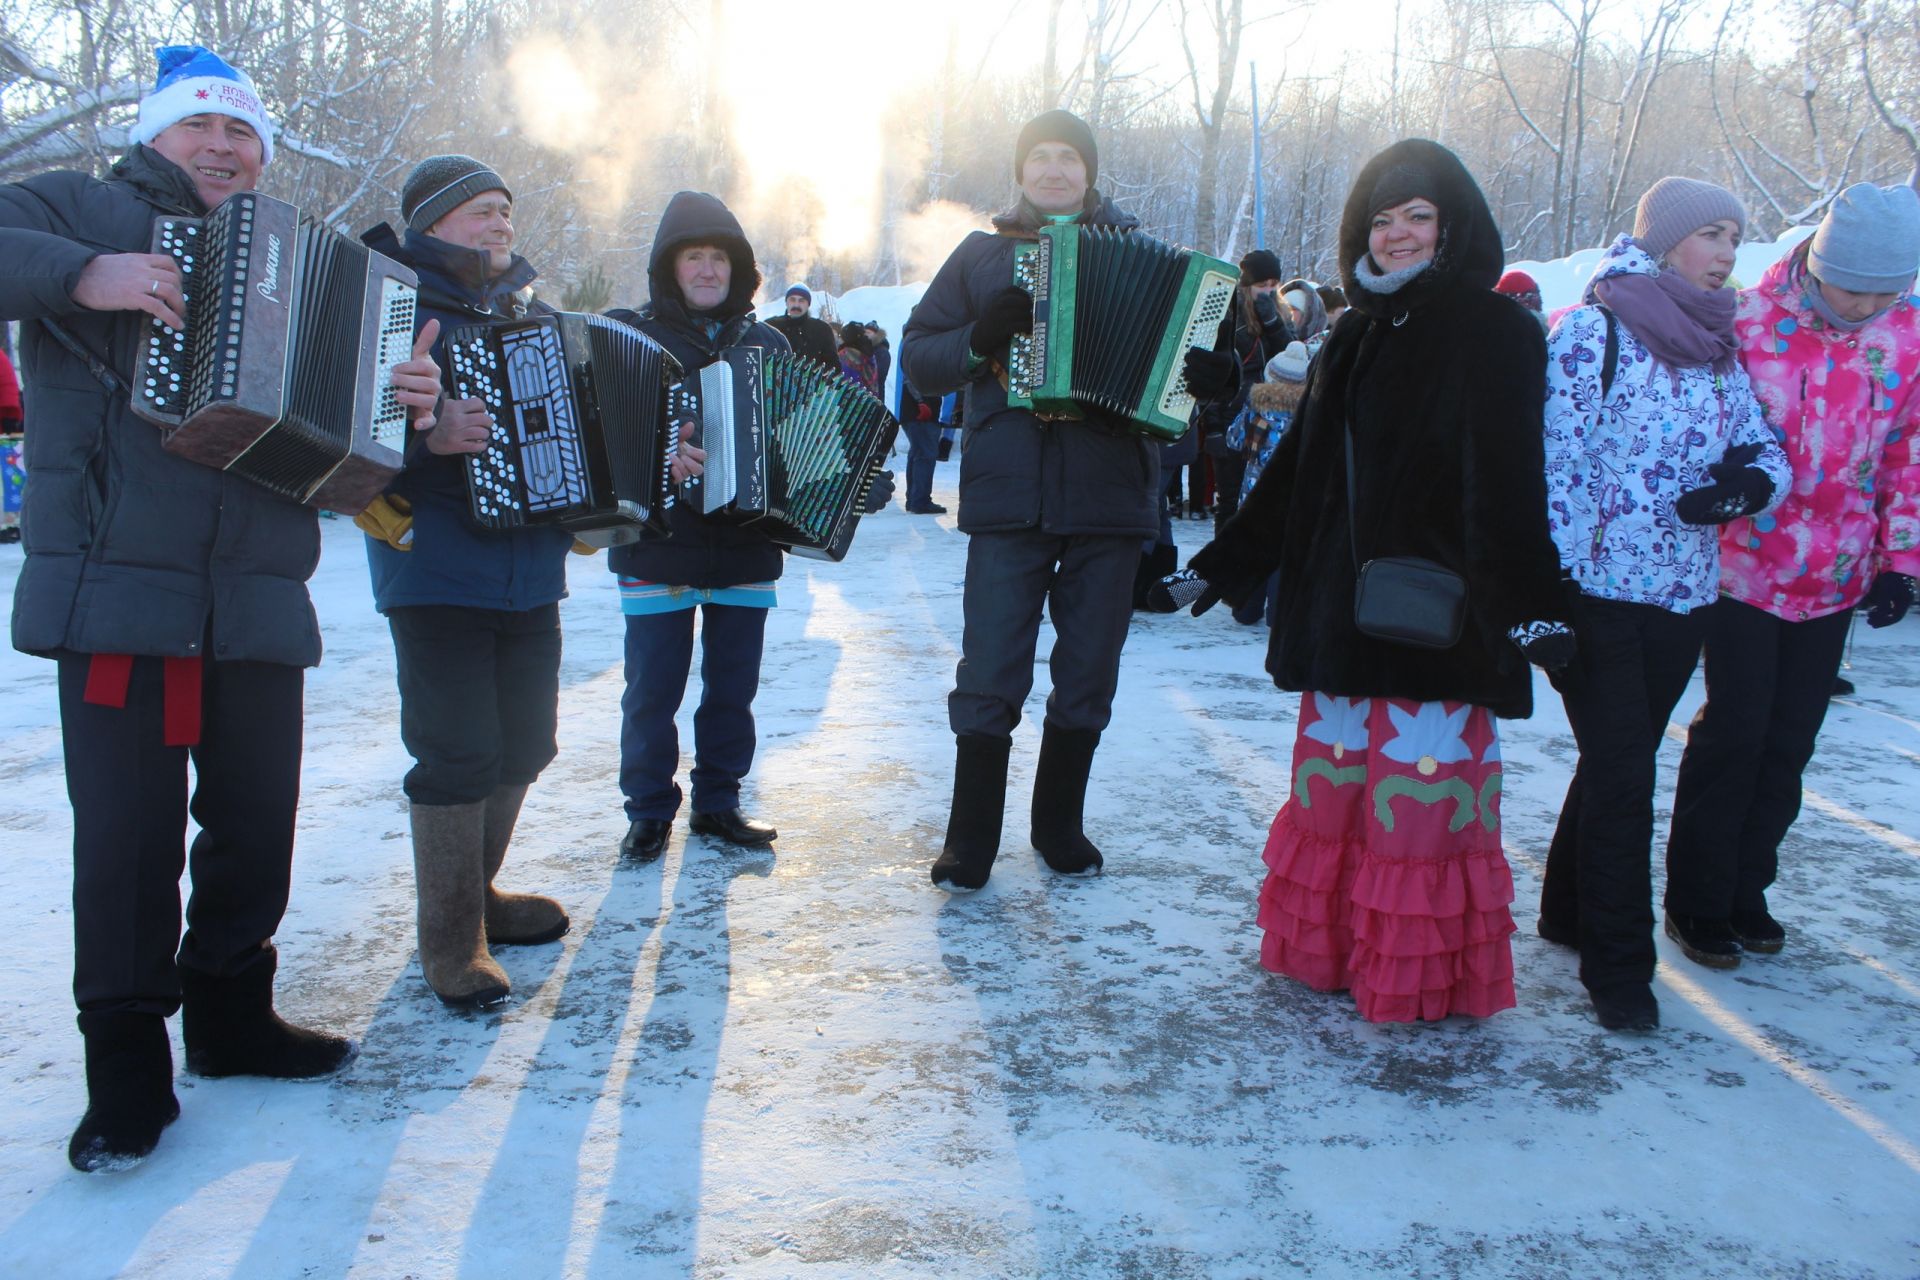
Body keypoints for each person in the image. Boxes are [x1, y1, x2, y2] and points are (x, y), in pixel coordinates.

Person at [0, 45, 443, 1172]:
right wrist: (81, 275)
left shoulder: (295, 259)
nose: (223, 147)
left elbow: (361, 460)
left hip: (254, 597)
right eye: (200, 126)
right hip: (117, 595)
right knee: (127, 843)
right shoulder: (75, 206)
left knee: (256, 823)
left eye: (243, 132)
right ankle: (128, 1073)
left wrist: (405, 403)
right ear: (154, 132)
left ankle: (233, 1019)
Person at [1150, 139, 1573, 1023]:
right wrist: (1220, 567)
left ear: (1452, 227)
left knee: (1419, 813)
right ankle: (1335, 955)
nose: (1398, 235)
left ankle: (1416, 980)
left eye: (1418, 216)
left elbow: (1507, 482)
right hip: (1342, 620)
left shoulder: (1497, 331)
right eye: (1382, 220)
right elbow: (1297, 471)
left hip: (1439, 626)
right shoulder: (1350, 335)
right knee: (1339, 802)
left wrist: (1530, 608)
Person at [1535, 177, 1790, 1030]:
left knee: (1622, 755)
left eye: (1734, 238)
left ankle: (1565, 913)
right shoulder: (1591, 331)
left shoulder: (1718, 348)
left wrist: (1747, 486)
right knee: (1625, 777)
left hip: (1683, 598)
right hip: (1598, 596)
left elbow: (1764, 445)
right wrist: (1557, 597)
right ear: (1665, 240)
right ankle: (1620, 971)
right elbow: (1555, 472)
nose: (1726, 254)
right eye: (1712, 235)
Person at [902, 108, 1161, 892]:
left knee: (1088, 669)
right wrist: (980, 339)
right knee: (990, 667)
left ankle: (1058, 827)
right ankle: (971, 839)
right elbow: (919, 359)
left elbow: (1185, 379)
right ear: (1021, 171)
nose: (1054, 171)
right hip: (1008, 500)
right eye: (1040, 158)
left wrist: (1207, 385)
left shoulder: (1143, 256)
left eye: (1069, 159)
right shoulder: (981, 256)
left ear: (1089, 172)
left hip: (1110, 502)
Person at [1665, 182, 1920, 957]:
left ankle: (1748, 889)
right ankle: (1697, 898)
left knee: (1789, 743)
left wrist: (1898, 560)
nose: (1865, 304)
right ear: (1817, 262)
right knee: (1735, 734)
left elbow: (1908, 454)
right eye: (1853, 287)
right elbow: (1700, 427)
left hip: (1835, 575)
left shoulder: (1904, 337)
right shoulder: (1747, 321)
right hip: (1742, 571)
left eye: (1887, 291)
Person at [359, 154, 574, 1010]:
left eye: (507, 212)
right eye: (482, 209)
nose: (500, 225)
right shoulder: (390, 304)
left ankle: (475, 898)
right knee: (456, 753)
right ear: (433, 222)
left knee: (526, 743)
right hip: (434, 565)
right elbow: (341, 432)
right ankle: (450, 944)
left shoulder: (535, 314)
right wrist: (426, 436)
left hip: (532, 571)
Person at [605, 191, 792, 863]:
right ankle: (649, 810)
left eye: (720, 258)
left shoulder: (770, 343)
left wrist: (839, 480)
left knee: (732, 690)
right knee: (652, 689)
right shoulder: (628, 334)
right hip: (657, 546)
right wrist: (658, 459)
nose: (708, 270)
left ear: (738, 268)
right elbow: (599, 435)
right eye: (694, 257)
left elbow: (798, 439)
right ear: (670, 267)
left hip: (744, 549)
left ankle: (719, 803)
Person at [1184, 249, 1297, 534]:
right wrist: (1213, 429)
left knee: (1265, 501)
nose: (1269, 291)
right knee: (1230, 501)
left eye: (1274, 284)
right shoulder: (1228, 314)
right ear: (1247, 285)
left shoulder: (1281, 314)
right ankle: (1222, 567)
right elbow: (1217, 375)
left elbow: (1293, 358)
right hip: (1234, 417)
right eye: (1262, 285)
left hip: (1270, 420)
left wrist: (1273, 323)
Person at [898, 379, 948, 514]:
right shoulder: (925, 359)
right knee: (925, 455)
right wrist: (920, 402)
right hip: (922, 412)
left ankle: (914, 499)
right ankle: (920, 500)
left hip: (915, 411)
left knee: (917, 453)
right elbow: (911, 378)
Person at [766, 283, 839, 372]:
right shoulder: (771, 327)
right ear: (786, 302)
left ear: (808, 304)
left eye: (801, 300)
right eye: (792, 300)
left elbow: (833, 367)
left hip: (811, 384)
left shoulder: (822, 330)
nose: (796, 305)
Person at [837, 320, 881, 394]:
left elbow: (843, 383)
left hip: (850, 399)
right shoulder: (868, 352)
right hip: (867, 400)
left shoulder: (845, 355)